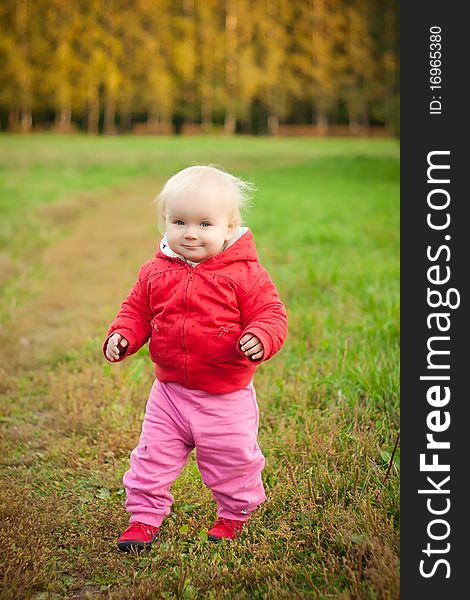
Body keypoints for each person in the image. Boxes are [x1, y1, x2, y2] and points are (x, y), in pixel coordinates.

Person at [102, 164, 288, 552]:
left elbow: (271, 313)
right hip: (169, 393)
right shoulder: (155, 271)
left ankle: (234, 515)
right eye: (179, 221)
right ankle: (143, 518)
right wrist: (122, 335)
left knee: (232, 461)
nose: (190, 233)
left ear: (229, 227)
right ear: (165, 222)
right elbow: (136, 310)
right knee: (151, 458)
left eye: (205, 224)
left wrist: (261, 336)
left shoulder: (245, 273)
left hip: (225, 397)